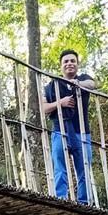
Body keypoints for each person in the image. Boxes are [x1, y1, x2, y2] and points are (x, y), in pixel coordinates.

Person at [41, 49, 98, 204]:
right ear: (61, 66)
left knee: (84, 169)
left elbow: (92, 84)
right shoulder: (52, 85)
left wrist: (77, 84)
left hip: (82, 132)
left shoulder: (83, 79)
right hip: (60, 131)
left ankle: (84, 202)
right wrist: (61, 102)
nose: (69, 64)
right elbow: (44, 108)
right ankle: (61, 200)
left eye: (73, 61)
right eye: (66, 61)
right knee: (60, 168)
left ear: (77, 64)